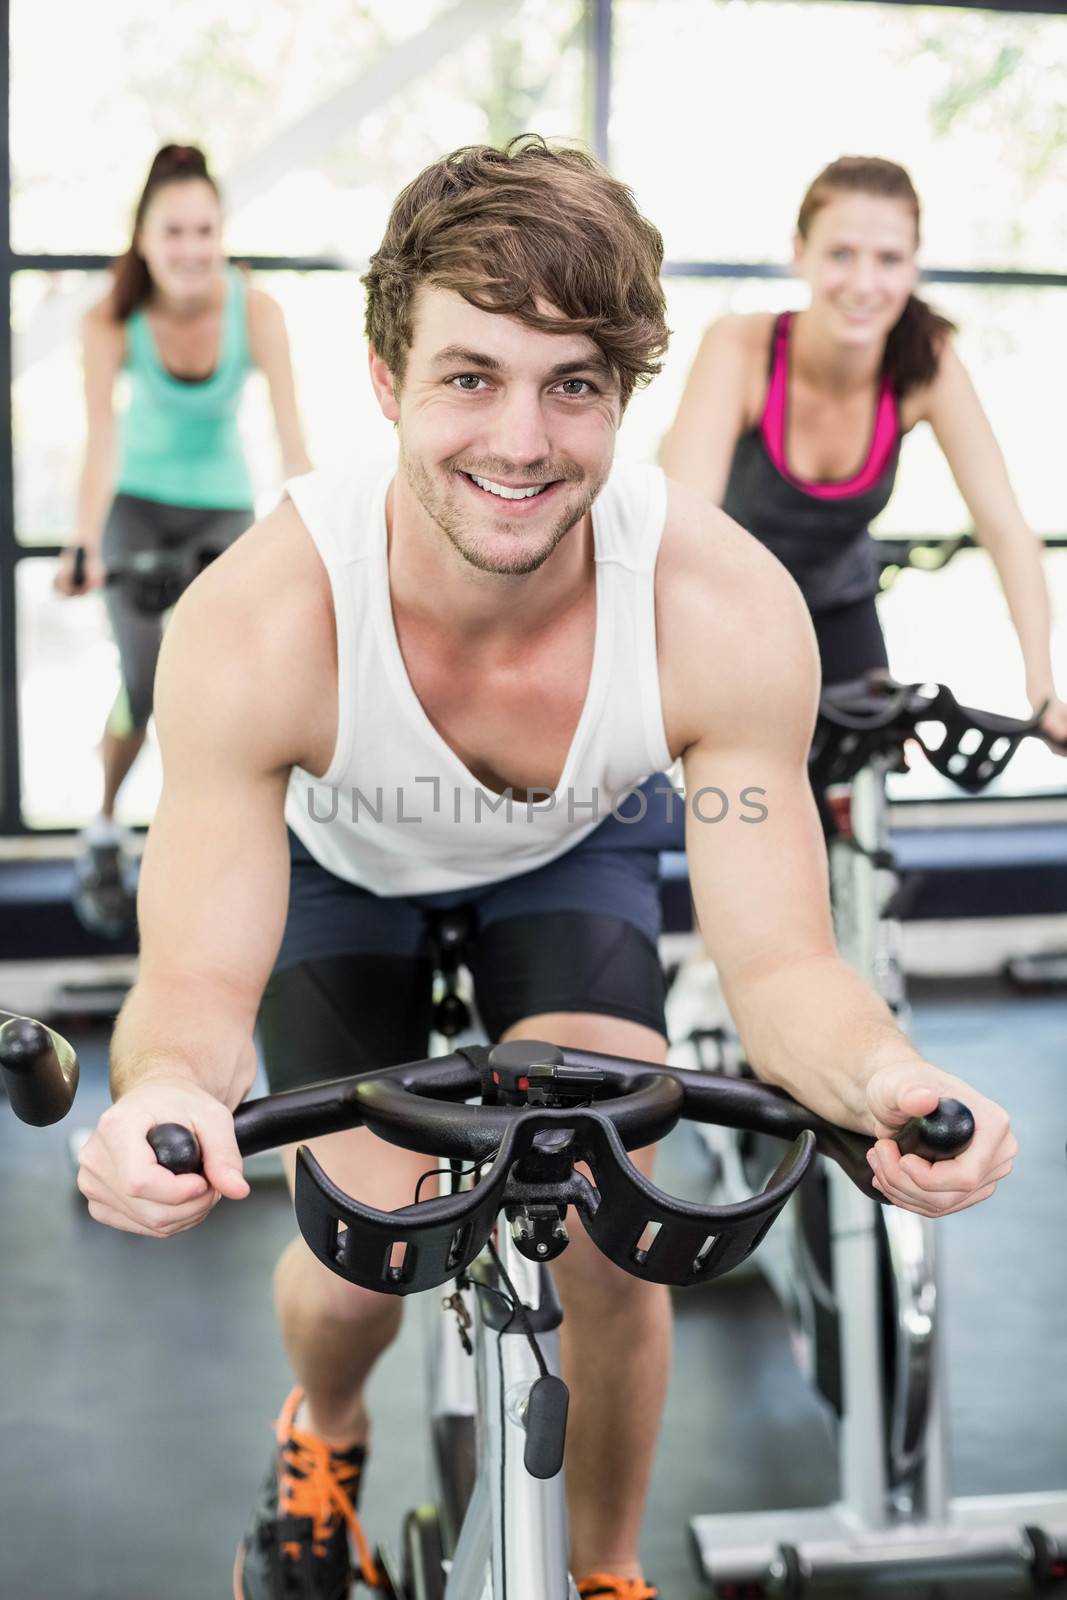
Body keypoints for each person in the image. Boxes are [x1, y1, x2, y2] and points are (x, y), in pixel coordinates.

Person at [76, 137, 1017, 1600]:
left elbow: (779, 972)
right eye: (469, 376)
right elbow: (193, 982)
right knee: (353, 1257)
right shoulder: (259, 621)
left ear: (623, 397)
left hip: (566, 851)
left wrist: (886, 1082)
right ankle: (320, 1431)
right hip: (346, 872)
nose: (519, 440)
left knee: (613, 1220)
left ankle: (602, 1570)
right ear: (387, 379)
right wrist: (165, 1100)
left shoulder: (719, 609)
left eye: (571, 383)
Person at [660, 155, 1067, 740]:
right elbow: (683, 526)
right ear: (800, 252)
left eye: (889, 260)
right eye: (841, 254)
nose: (864, 284)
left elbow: (1005, 528)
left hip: (842, 611)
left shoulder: (927, 363)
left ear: (913, 267)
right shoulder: (739, 348)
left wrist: (1044, 689)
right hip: (733, 608)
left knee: (865, 782)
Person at [55, 142, 312, 934]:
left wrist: (309, 524)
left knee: (231, 682)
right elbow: (100, 438)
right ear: (144, 237)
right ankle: (101, 829)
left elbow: (290, 435)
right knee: (143, 680)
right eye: (175, 233)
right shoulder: (111, 317)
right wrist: (83, 542)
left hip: (222, 511)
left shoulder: (255, 310)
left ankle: (225, 842)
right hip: (137, 508)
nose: (192, 250)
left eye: (205, 231)